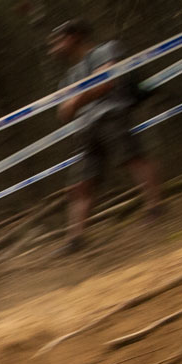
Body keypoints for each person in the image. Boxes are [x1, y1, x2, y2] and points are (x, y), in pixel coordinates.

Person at [49, 19, 164, 253]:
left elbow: (106, 82)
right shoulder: (69, 75)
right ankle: (75, 239)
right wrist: (78, 100)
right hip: (85, 129)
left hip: (111, 115)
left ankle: (155, 206)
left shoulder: (105, 50)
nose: (54, 48)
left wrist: (76, 100)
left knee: (133, 159)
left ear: (74, 36)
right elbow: (62, 112)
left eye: (58, 41)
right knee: (80, 184)